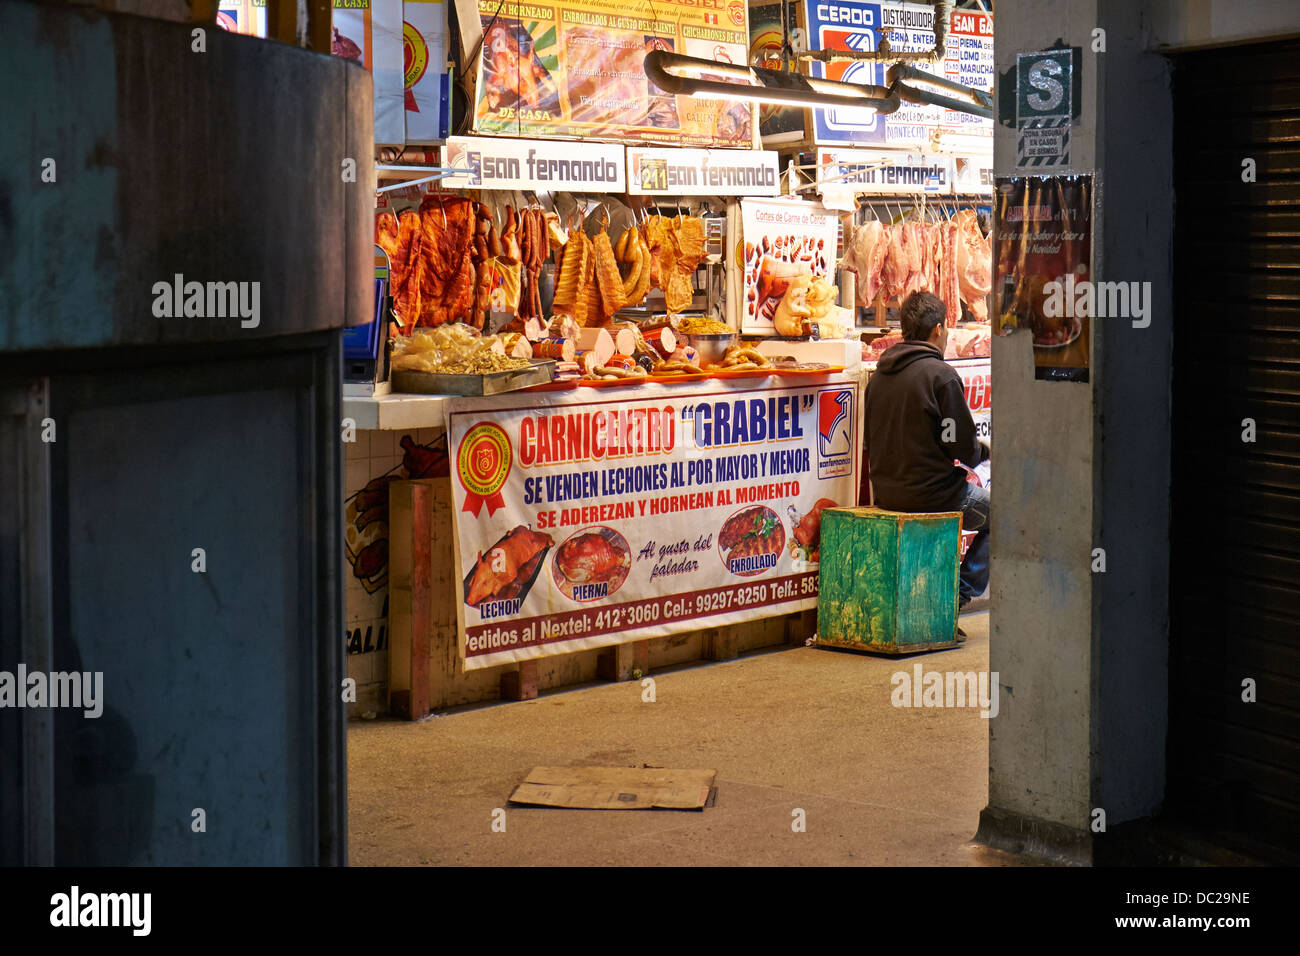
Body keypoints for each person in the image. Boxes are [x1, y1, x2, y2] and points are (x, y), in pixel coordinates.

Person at [864, 291, 990, 620]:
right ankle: (956, 597)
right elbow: (962, 449)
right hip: (934, 494)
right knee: (1009, 516)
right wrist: (984, 450)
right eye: (946, 328)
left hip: (887, 493)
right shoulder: (940, 376)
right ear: (938, 329)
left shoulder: (878, 377)